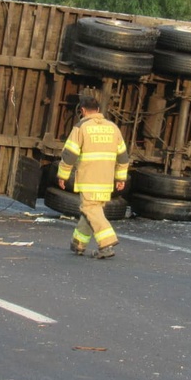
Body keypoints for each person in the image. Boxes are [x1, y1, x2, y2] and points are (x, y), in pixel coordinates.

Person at [57, 95, 130, 259]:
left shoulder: (81, 127)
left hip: (89, 178)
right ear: (98, 110)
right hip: (106, 180)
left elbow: (69, 155)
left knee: (90, 209)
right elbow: (123, 157)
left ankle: (107, 243)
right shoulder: (113, 128)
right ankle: (78, 243)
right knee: (91, 211)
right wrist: (121, 179)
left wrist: (62, 175)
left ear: (82, 110)